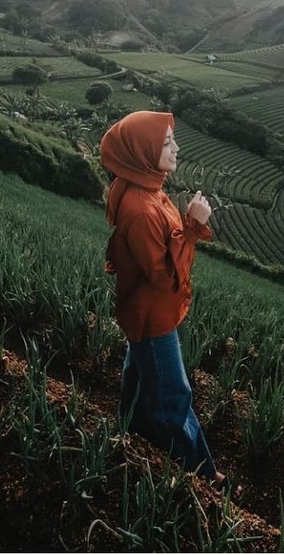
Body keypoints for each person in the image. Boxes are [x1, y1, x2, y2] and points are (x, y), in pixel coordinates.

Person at [100, 109, 233, 492]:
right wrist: (192, 226)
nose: (176, 149)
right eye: (167, 143)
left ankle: (130, 436)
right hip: (153, 316)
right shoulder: (141, 210)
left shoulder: (148, 188)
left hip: (146, 313)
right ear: (144, 150)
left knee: (140, 376)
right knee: (174, 395)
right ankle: (205, 477)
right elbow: (162, 279)